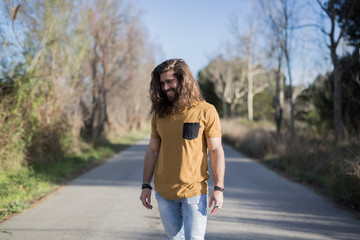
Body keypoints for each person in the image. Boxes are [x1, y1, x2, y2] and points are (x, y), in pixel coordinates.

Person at [139, 58, 225, 240]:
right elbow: (153, 150)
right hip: (164, 193)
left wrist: (219, 188)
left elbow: (216, 150)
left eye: (169, 81)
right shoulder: (159, 114)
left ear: (183, 80)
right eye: (161, 83)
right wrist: (146, 185)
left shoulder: (206, 111)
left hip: (194, 192)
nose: (164, 87)